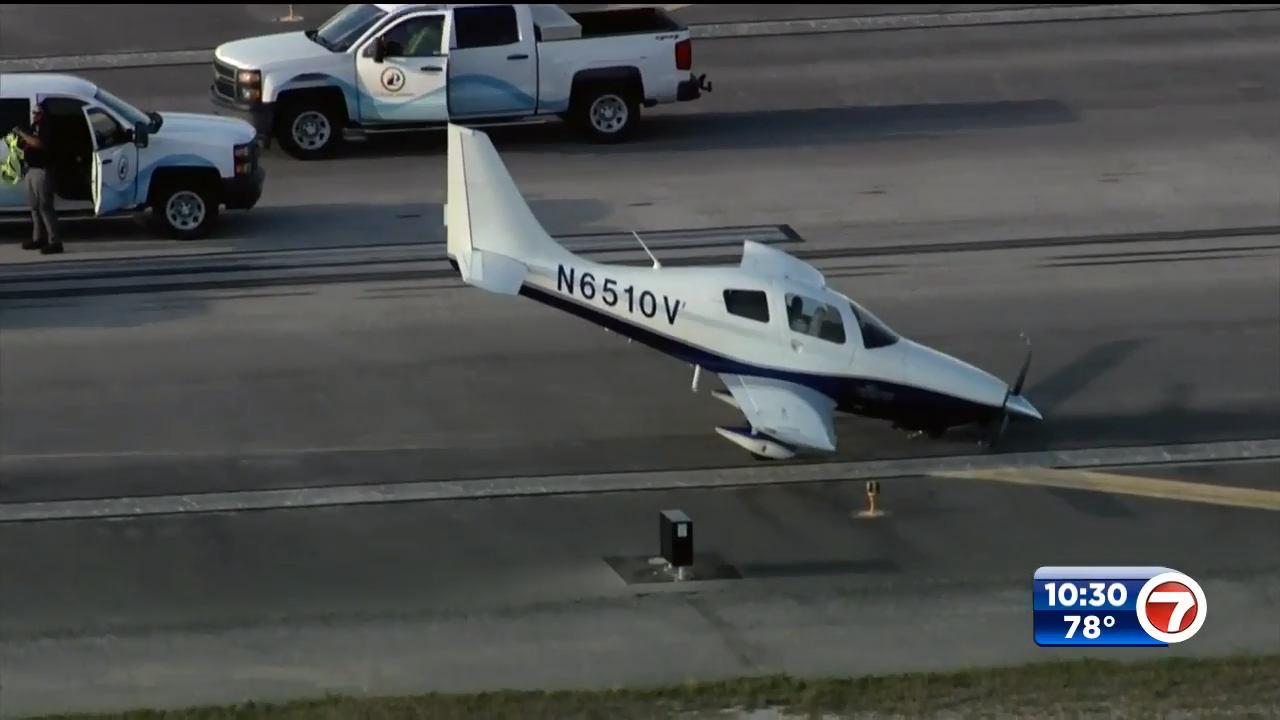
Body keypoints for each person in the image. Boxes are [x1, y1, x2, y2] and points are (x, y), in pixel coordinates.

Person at [13, 100, 62, 255]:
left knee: (45, 207)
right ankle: (38, 238)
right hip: (31, 170)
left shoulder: (48, 129)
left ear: (44, 114)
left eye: (38, 113)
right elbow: (26, 144)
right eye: (33, 113)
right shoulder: (34, 127)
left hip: (42, 171)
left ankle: (55, 241)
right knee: (34, 207)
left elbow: (39, 144)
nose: (35, 116)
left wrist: (22, 134)